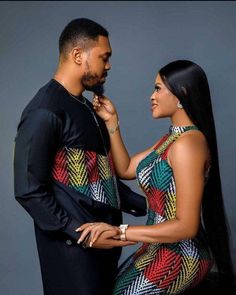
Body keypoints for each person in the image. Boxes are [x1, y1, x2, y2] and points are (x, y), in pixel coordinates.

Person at [13, 18, 147, 295]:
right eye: (104, 57)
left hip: (106, 244)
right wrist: (80, 234)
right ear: (77, 55)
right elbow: (29, 191)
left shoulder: (89, 108)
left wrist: (151, 205)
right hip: (73, 252)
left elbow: (98, 177)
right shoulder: (45, 111)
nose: (108, 66)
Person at [78, 60, 235, 294]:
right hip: (158, 248)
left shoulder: (188, 144)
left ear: (181, 93)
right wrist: (112, 122)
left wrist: (120, 231)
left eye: (158, 88)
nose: (152, 96)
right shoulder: (171, 139)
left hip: (183, 255)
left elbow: (187, 226)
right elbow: (126, 168)